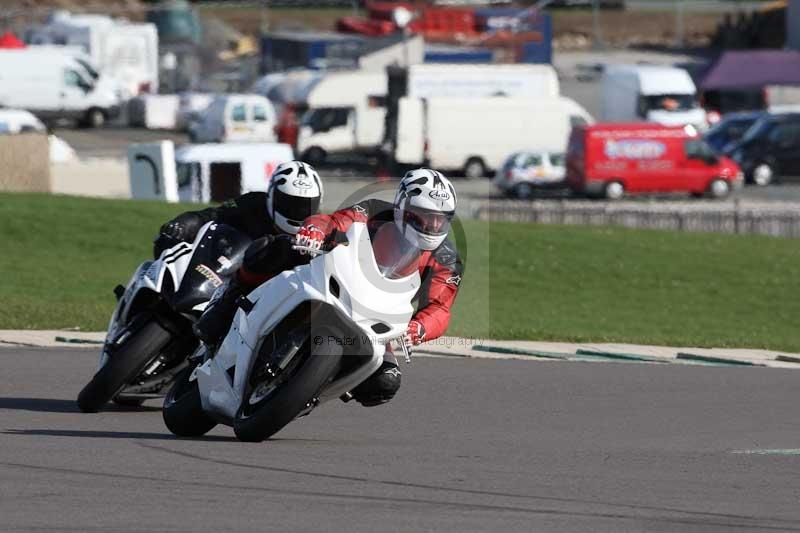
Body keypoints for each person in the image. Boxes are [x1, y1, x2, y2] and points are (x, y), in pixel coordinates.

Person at [214, 168, 463, 407]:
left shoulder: (447, 258)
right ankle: (226, 303)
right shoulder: (375, 211)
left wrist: (419, 328)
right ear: (403, 206)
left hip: (379, 313)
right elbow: (337, 222)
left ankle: (309, 392)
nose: (431, 225)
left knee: (385, 382)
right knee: (276, 250)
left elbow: (440, 307)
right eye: (424, 215)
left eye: (440, 220)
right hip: (340, 278)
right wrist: (314, 231)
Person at [153, 160, 324, 258]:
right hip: (230, 278)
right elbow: (214, 215)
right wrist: (186, 223)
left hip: (279, 297)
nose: (297, 211)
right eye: (289, 203)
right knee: (167, 242)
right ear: (271, 196)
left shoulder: (321, 231)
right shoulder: (253, 203)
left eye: (305, 206)